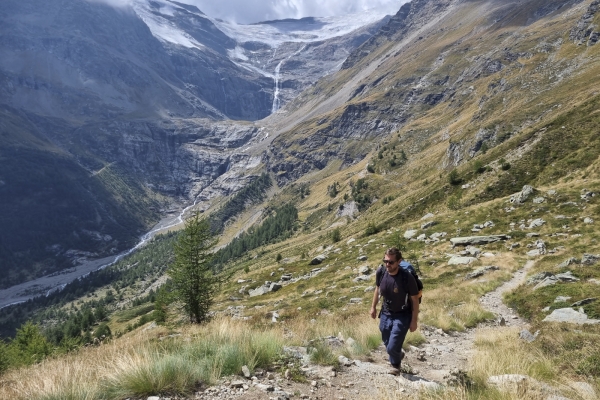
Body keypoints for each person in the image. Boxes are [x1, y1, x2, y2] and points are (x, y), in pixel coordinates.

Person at [370, 247, 419, 374]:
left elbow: (414, 300)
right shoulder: (381, 273)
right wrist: (373, 307)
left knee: (392, 346)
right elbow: (377, 290)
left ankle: (395, 365)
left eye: (391, 262)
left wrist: (414, 321)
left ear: (399, 261)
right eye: (385, 261)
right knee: (386, 337)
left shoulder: (406, 277)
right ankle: (398, 353)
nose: (388, 264)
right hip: (386, 312)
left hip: (403, 314)